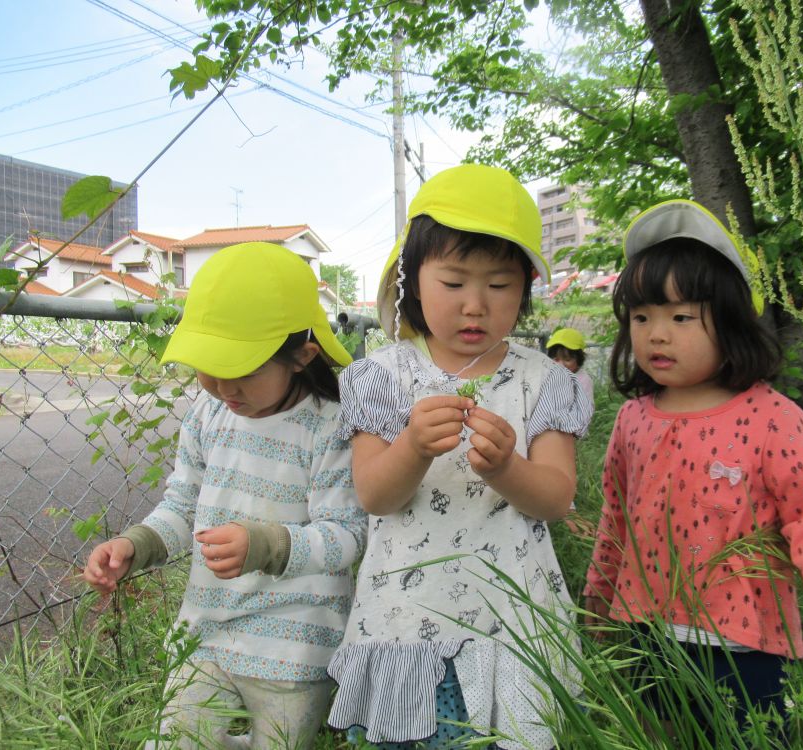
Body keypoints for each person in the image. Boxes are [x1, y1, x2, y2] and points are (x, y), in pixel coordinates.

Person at [583, 200, 803, 728]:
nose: (656, 333)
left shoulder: (773, 418)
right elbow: (616, 517)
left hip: (746, 651)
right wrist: (598, 601)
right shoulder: (633, 419)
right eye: (641, 317)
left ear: (730, 323)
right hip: (646, 638)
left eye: (680, 317)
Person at [325, 164, 593, 750]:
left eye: (499, 286)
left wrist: (507, 469)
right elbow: (375, 494)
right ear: (412, 281)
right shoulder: (382, 377)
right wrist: (413, 448)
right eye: (453, 283)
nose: (476, 305)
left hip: (511, 619)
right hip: (404, 618)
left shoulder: (543, 379)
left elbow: (556, 497)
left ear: (524, 288)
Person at [83, 242, 367, 750]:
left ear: (302, 356)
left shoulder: (329, 427)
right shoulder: (207, 415)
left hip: (294, 644)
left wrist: (265, 544)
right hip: (206, 631)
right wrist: (137, 545)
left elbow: (347, 534)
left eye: (244, 370)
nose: (221, 386)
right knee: (175, 740)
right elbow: (183, 507)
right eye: (208, 366)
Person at [546, 327, 594, 400]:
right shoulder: (549, 375)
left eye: (567, 360)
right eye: (556, 359)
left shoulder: (583, 380)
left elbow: (587, 408)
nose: (560, 365)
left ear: (579, 359)